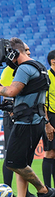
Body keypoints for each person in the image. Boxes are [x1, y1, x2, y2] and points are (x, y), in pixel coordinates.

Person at [0, 38, 55, 197]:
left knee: (13, 162)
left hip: (26, 122)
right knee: (22, 163)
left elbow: (11, 91)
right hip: (35, 120)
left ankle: (44, 190)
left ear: (14, 52)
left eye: (7, 54)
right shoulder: (39, 66)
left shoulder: (24, 68)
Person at [0, 44, 37, 197]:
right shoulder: (10, 70)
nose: (29, 52)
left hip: (24, 115)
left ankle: (24, 192)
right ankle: (7, 190)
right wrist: (12, 113)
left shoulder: (25, 68)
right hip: (13, 115)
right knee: (11, 152)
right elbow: (7, 93)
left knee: (25, 154)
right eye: (26, 50)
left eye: (28, 50)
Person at [42, 50, 55, 188]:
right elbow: (42, 103)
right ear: (53, 61)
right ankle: (46, 189)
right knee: (50, 153)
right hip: (51, 117)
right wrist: (47, 123)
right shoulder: (46, 77)